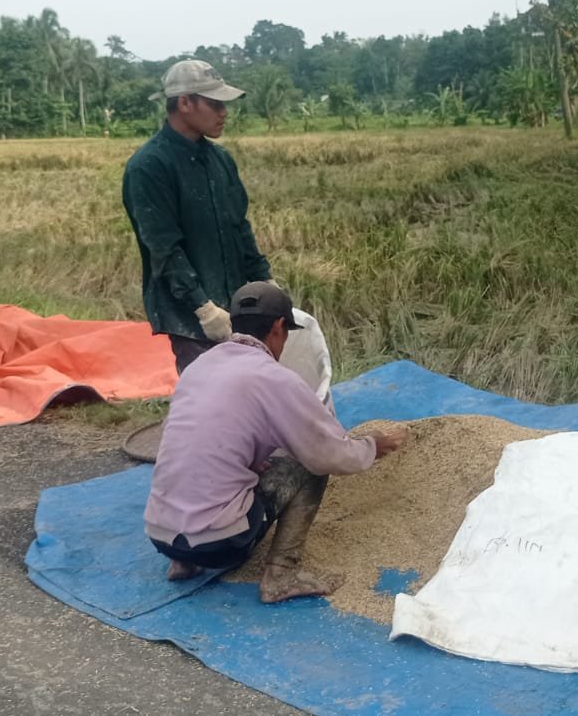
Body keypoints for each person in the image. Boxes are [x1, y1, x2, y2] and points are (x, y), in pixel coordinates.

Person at [144, 281, 410, 602]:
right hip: (219, 543)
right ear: (278, 327)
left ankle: (183, 563)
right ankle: (282, 575)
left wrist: (252, 461)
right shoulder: (274, 378)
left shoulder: (199, 367)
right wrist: (372, 446)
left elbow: (209, 438)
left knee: (222, 467)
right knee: (306, 464)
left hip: (160, 534)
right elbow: (326, 453)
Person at [122, 59, 271, 374]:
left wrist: (264, 280)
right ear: (185, 103)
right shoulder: (150, 166)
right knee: (210, 402)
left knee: (248, 398)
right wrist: (203, 308)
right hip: (192, 315)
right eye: (214, 103)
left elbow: (239, 227)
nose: (223, 112)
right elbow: (164, 247)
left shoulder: (220, 160)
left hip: (236, 304)